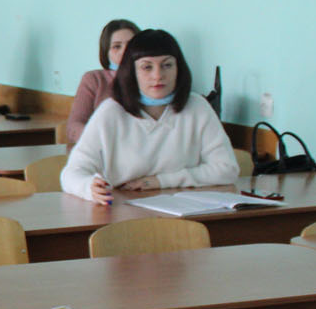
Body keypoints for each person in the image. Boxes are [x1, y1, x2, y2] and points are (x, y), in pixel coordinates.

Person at [62, 28, 237, 205]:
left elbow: (226, 169)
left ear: (179, 68)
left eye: (167, 65)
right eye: (147, 67)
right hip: (123, 210)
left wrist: (161, 181)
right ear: (132, 72)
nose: (158, 75)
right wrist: (88, 187)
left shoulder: (197, 106)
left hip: (186, 209)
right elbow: (71, 174)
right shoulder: (111, 112)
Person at [65, 19, 139, 145]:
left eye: (131, 45)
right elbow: (74, 125)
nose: (125, 51)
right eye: (117, 46)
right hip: (99, 149)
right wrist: (99, 140)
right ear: (106, 52)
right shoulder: (94, 79)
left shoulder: (150, 80)